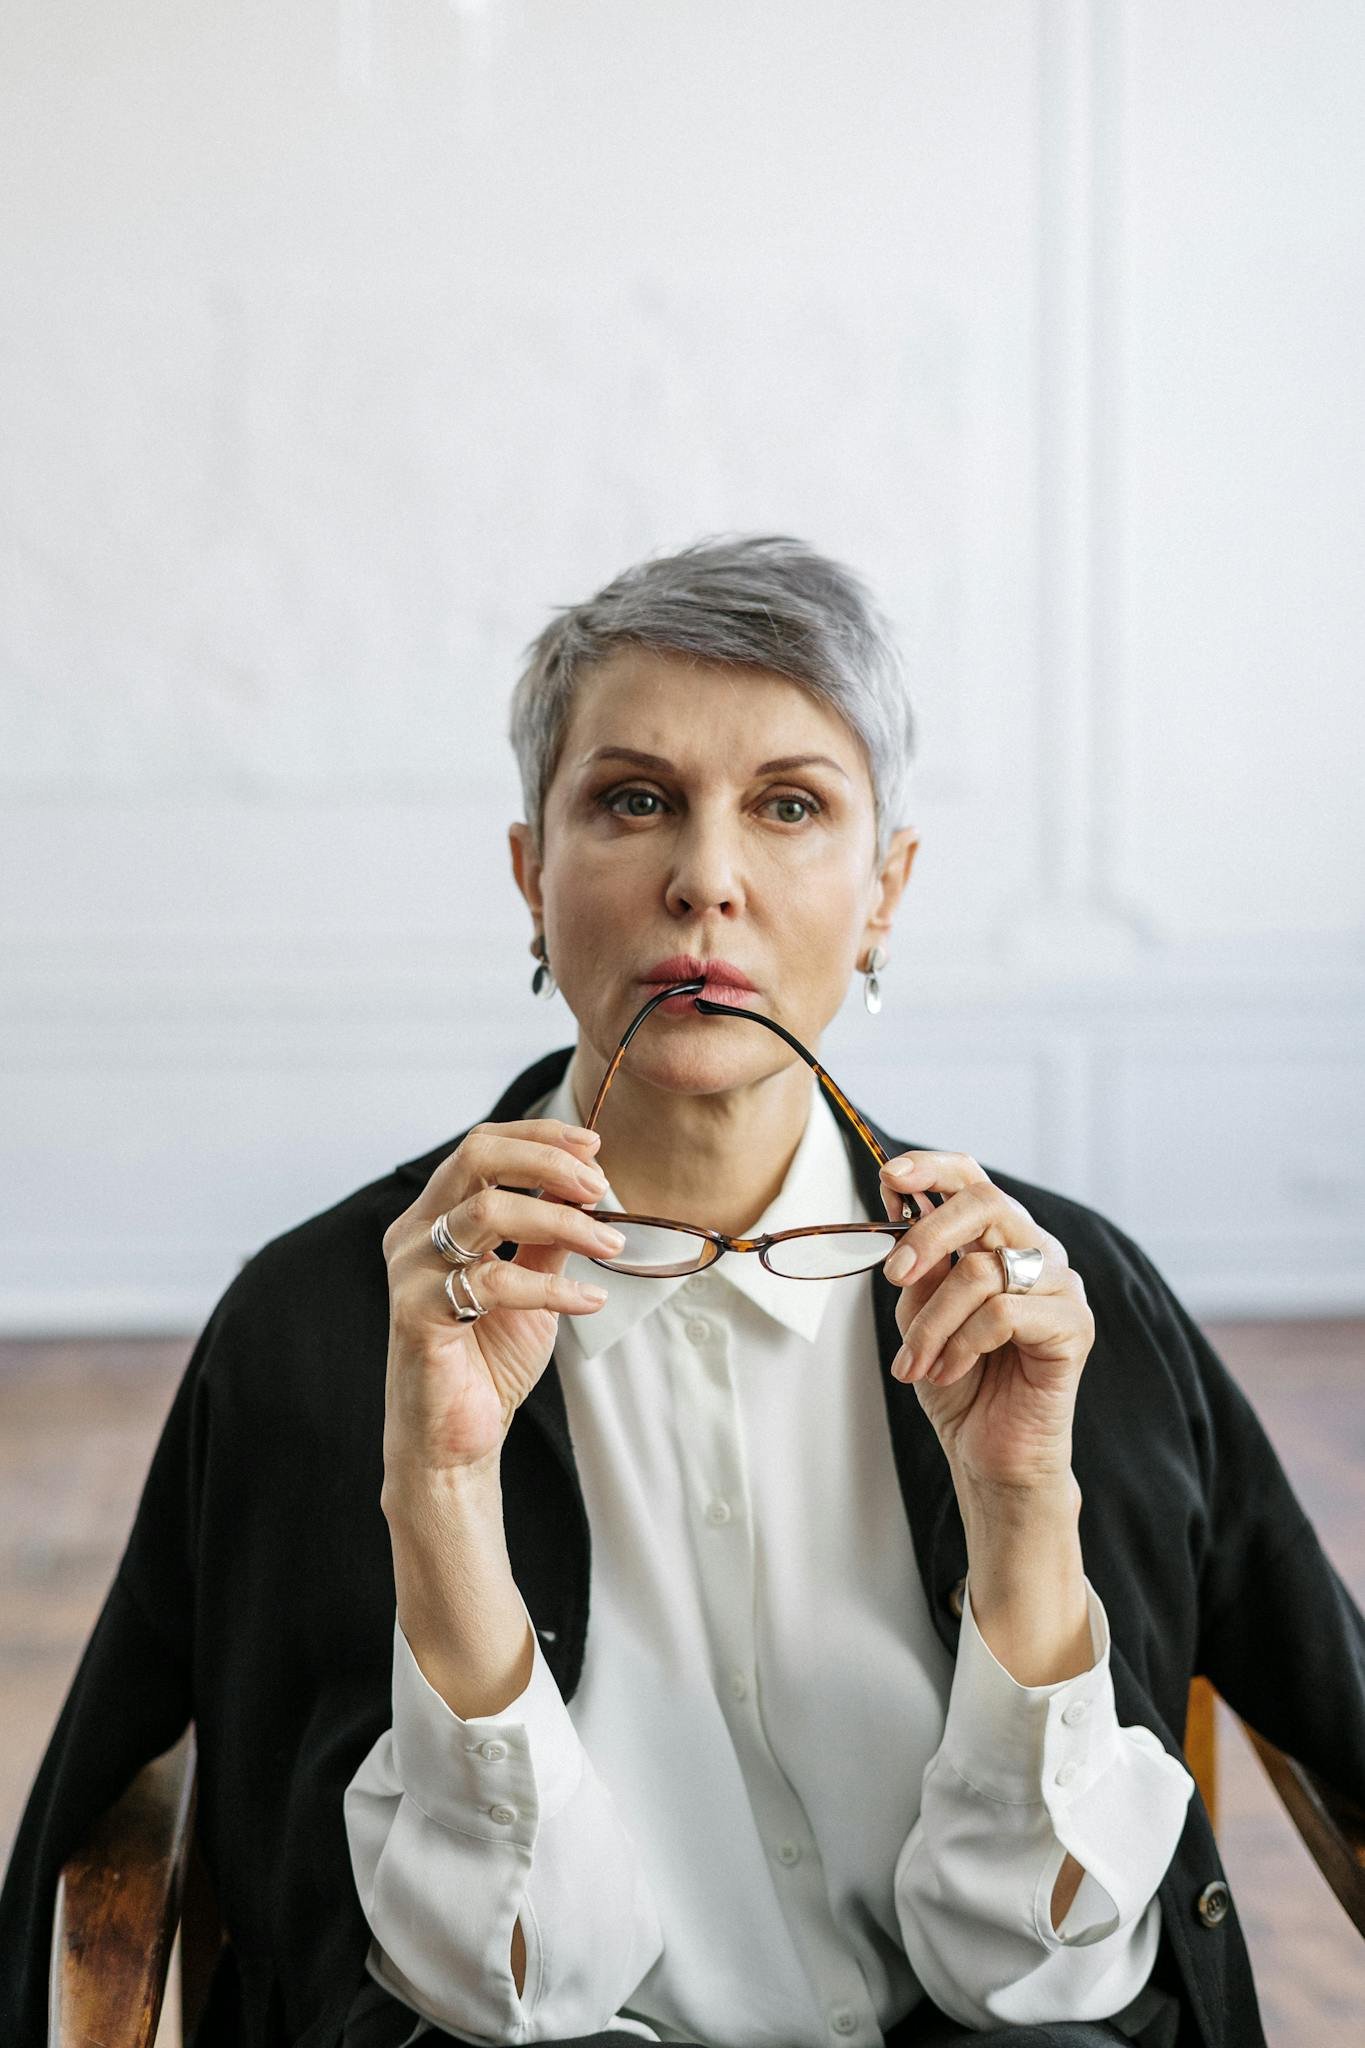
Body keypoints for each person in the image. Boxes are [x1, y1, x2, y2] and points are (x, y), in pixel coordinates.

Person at [3, 536, 1362, 2048]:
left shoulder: (1056, 1301)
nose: (706, 880)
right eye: (634, 800)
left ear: (886, 891)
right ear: (530, 876)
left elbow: (1046, 1973)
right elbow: (468, 1988)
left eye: (789, 806)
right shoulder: (318, 1332)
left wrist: (1025, 1506)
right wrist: (438, 1491)